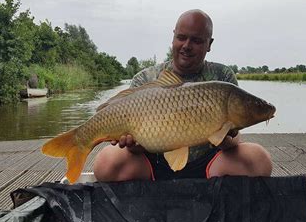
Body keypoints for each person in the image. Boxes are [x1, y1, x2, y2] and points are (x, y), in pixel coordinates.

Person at [93, 9, 273, 181]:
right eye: (181, 38)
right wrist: (133, 146)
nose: (186, 46)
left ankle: (206, 180)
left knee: (260, 160)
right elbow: (134, 150)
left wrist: (226, 139)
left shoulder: (223, 77)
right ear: (173, 38)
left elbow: (234, 143)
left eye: (196, 40)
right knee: (105, 163)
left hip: (210, 164)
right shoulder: (146, 79)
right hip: (153, 163)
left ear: (209, 44)